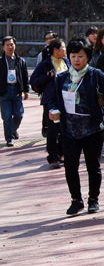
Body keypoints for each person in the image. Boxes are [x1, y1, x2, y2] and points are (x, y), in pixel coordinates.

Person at [49, 37, 104, 216]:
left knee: (93, 166)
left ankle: (93, 199)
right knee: (70, 166)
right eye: (73, 56)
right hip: (69, 130)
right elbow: (54, 99)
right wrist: (53, 109)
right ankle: (76, 200)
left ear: (87, 56)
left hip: (92, 129)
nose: (76, 60)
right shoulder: (62, 77)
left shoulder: (96, 75)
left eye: (80, 56)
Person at [30, 39, 69, 169]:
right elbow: (33, 80)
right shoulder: (45, 64)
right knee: (52, 130)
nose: (65, 50)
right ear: (55, 50)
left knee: (65, 128)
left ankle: (61, 153)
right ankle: (53, 157)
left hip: (67, 100)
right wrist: (48, 76)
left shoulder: (67, 62)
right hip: (51, 101)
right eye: (63, 47)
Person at [0, 36, 29, 147]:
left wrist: (26, 90)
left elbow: (25, 77)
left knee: (19, 115)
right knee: (6, 117)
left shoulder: (21, 61)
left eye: (12, 44)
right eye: (7, 45)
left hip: (16, 90)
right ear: (3, 47)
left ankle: (12, 129)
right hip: (4, 91)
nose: (10, 47)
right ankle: (9, 138)